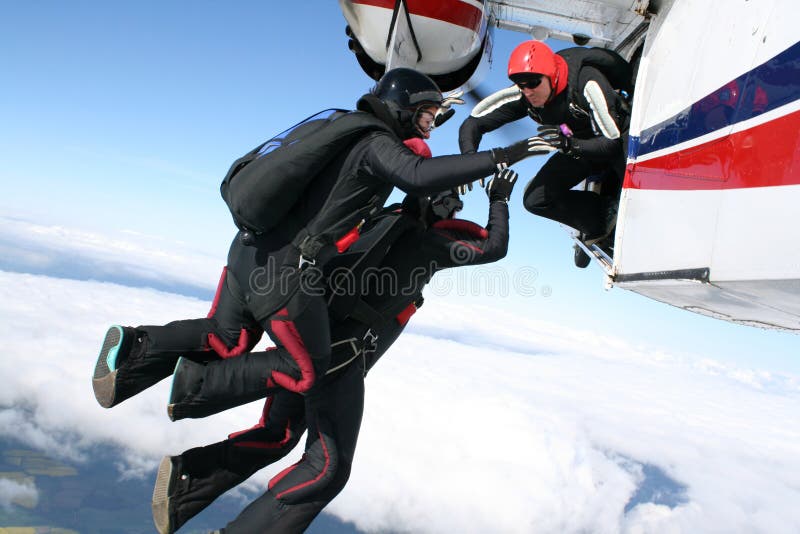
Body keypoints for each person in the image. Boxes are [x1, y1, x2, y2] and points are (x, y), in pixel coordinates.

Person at [92, 67, 547, 411]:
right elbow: (418, 174)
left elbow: (415, 174)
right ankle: (194, 386)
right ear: (405, 109)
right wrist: (506, 154)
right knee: (304, 368)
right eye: (426, 115)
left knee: (224, 340)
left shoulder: (346, 131)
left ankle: (132, 347)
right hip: (285, 274)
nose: (430, 125)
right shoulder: (376, 144)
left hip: (249, 250)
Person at [150, 168, 519, 534]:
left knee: (277, 434)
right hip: (341, 359)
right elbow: (491, 247)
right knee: (327, 469)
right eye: (451, 206)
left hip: (316, 338)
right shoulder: (430, 244)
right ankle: (199, 406)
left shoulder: (383, 221)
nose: (454, 212)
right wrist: (498, 200)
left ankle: (187, 481)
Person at [459, 40, 632, 245]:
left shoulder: (587, 83)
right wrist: (469, 163)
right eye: (521, 85)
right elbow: (473, 123)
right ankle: (600, 218)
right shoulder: (524, 94)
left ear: (553, 76)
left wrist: (570, 145)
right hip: (579, 145)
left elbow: (610, 142)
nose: (528, 92)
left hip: (616, 140)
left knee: (635, 197)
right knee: (535, 200)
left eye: (533, 83)